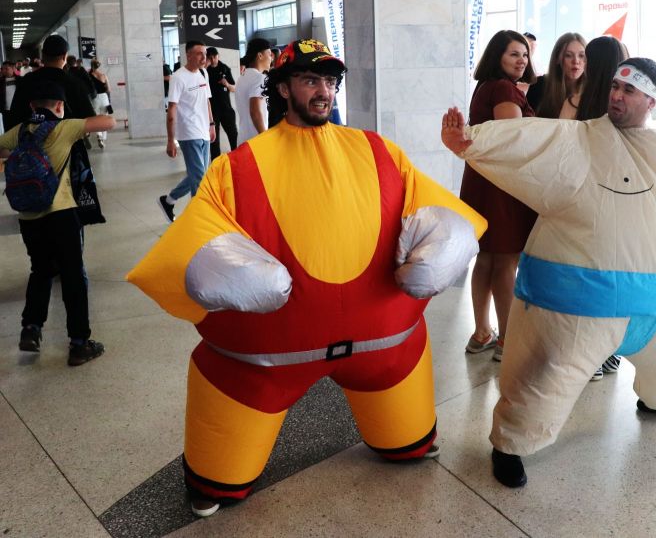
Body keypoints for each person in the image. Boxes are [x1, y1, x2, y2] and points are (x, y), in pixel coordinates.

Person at [127, 38, 486, 517]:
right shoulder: (237, 167)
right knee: (220, 473)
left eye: (329, 81)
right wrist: (232, 270)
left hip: (386, 350)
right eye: (310, 80)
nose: (323, 91)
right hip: (261, 361)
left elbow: (426, 205)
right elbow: (198, 237)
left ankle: (407, 438)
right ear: (283, 88)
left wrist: (443, 245)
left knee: (408, 436)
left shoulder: (377, 150)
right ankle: (216, 478)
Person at [441, 57, 656, 488]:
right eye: (615, 86)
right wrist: (470, 142)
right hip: (584, 305)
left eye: (629, 90)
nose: (616, 95)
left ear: (651, 100)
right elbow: (529, 142)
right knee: (547, 374)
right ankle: (510, 442)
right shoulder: (580, 141)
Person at [0, 81, 115, 366]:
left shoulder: (19, 132)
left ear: (31, 106)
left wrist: (14, 158)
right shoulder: (64, 128)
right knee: (73, 276)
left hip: (29, 218)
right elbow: (109, 122)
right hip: (62, 214)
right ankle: (79, 344)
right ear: (60, 106)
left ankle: (31, 328)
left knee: (40, 270)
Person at [459, 30, 537, 362]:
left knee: (487, 258)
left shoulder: (486, 85)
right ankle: (506, 338)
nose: (522, 61)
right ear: (497, 56)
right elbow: (513, 141)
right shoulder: (504, 88)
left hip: (481, 180)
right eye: (514, 54)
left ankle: (481, 333)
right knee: (505, 261)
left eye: (525, 54)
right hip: (501, 185)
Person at [572, 35, 629, 381]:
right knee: (615, 280)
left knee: (587, 280)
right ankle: (611, 353)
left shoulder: (578, 102)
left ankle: (590, 357)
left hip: (586, 202)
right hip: (623, 201)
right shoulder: (626, 104)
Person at [157, 40, 215, 223]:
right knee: (200, 178)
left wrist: (212, 124)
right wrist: (170, 140)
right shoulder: (178, 77)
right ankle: (199, 220)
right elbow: (172, 109)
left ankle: (169, 201)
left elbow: (207, 101)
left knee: (197, 174)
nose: (204, 57)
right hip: (188, 134)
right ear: (188, 55)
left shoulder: (203, 73)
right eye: (199, 53)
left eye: (204, 53)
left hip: (204, 132)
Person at [10, 35, 96, 130]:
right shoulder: (74, 82)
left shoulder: (27, 80)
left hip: (30, 136)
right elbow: (89, 117)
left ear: (42, 55)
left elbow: (15, 114)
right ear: (65, 56)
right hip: (68, 137)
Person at [527, 32, 586, 118]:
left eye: (581, 55)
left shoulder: (592, 90)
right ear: (557, 58)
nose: (576, 61)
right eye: (568, 55)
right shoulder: (539, 85)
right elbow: (526, 122)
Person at [205, 47, 238, 159]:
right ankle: (216, 162)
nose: (213, 60)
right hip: (212, 111)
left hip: (226, 109)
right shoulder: (205, 71)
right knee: (214, 140)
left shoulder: (225, 68)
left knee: (233, 135)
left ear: (218, 56)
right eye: (210, 58)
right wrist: (205, 66)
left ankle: (236, 158)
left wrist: (227, 84)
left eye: (215, 57)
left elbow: (234, 88)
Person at [235, 38, 271, 139]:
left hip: (243, 138)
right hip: (256, 140)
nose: (271, 59)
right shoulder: (260, 78)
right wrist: (264, 137)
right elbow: (255, 112)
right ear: (260, 56)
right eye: (269, 54)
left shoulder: (242, 77)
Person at [89, 59, 112, 149]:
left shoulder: (89, 76)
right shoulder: (103, 75)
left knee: (96, 118)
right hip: (104, 98)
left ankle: (99, 135)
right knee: (104, 119)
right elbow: (109, 90)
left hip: (94, 98)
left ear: (91, 66)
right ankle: (103, 138)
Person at [1, 61, 17, 130]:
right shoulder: (1, 81)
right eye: (3, 69)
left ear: (13, 68)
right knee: (7, 129)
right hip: (5, 111)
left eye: (6, 69)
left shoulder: (20, 80)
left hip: (18, 110)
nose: (4, 71)